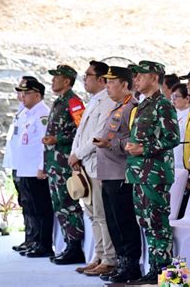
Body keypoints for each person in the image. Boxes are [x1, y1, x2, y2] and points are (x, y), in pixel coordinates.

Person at [125, 60, 180, 284]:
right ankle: (154, 270)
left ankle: (164, 274)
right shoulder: (143, 104)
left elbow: (172, 137)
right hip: (139, 174)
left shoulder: (162, 104)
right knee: (146, 224)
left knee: (158, 224)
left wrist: (144, 148)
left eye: (140, 75)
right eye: (135, 76)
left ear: (154, 78)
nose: (136, 80)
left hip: (155, 174)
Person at [94, 66, 142, 283]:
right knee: (113, 221)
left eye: (112, 82)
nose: (107, 86)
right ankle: (121, 261)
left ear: (124, 84)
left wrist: (109, 143)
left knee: (124, 221)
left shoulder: (132, 108)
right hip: (108, 173)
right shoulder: (116, 108)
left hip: (121, 174)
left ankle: (131, 264)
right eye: (106, 82)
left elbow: (133, 141)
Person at [68, 61, 117, 275]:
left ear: (100, 79)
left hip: (97, 165)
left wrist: (78, 154)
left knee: (101, 214)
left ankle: (109, 258)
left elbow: (98, 135)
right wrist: (74, 155)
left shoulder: (107, 101)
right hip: (85, 165)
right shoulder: (94, 101)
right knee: (93, 214)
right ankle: (98, 255)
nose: (84, 79)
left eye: (88, 75)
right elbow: (81, 134)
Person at [43, 64, 86, 265]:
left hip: (65, 162)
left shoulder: (74, 102)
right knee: (59, 204)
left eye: (56, 77)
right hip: (54, 163)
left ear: (67, 81)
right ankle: (68, 244)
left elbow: (82, 129)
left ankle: (75, 246)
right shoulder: (59, 101)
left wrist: (57, 139)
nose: (53, 80)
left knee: (69, 204)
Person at [13, 78, 54, 258]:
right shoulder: (28, 113)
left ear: (37, 95)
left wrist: (41, 167)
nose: (23, 97)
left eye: (27, 93)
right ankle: (35, 240)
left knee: (41, 208)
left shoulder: (42, 114)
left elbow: (44, 145)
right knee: (31, 207)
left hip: (36, 170)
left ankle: (44, 244)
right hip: (25, 168)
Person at [5, 76, 37, 253]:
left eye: (24, 91)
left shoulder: (33, 112)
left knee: (32, 203)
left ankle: (34, 238)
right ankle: (29, 236)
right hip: (18, 163)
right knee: (24, 202)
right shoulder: (22, 110)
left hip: (27, 165)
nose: (20, 94)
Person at [171, 83, 190, 169]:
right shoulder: (174, 113)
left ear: (187, 98)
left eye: (176, 96)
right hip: (173, 162)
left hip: (184, 164)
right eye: (172, 97)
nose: (173, 100)